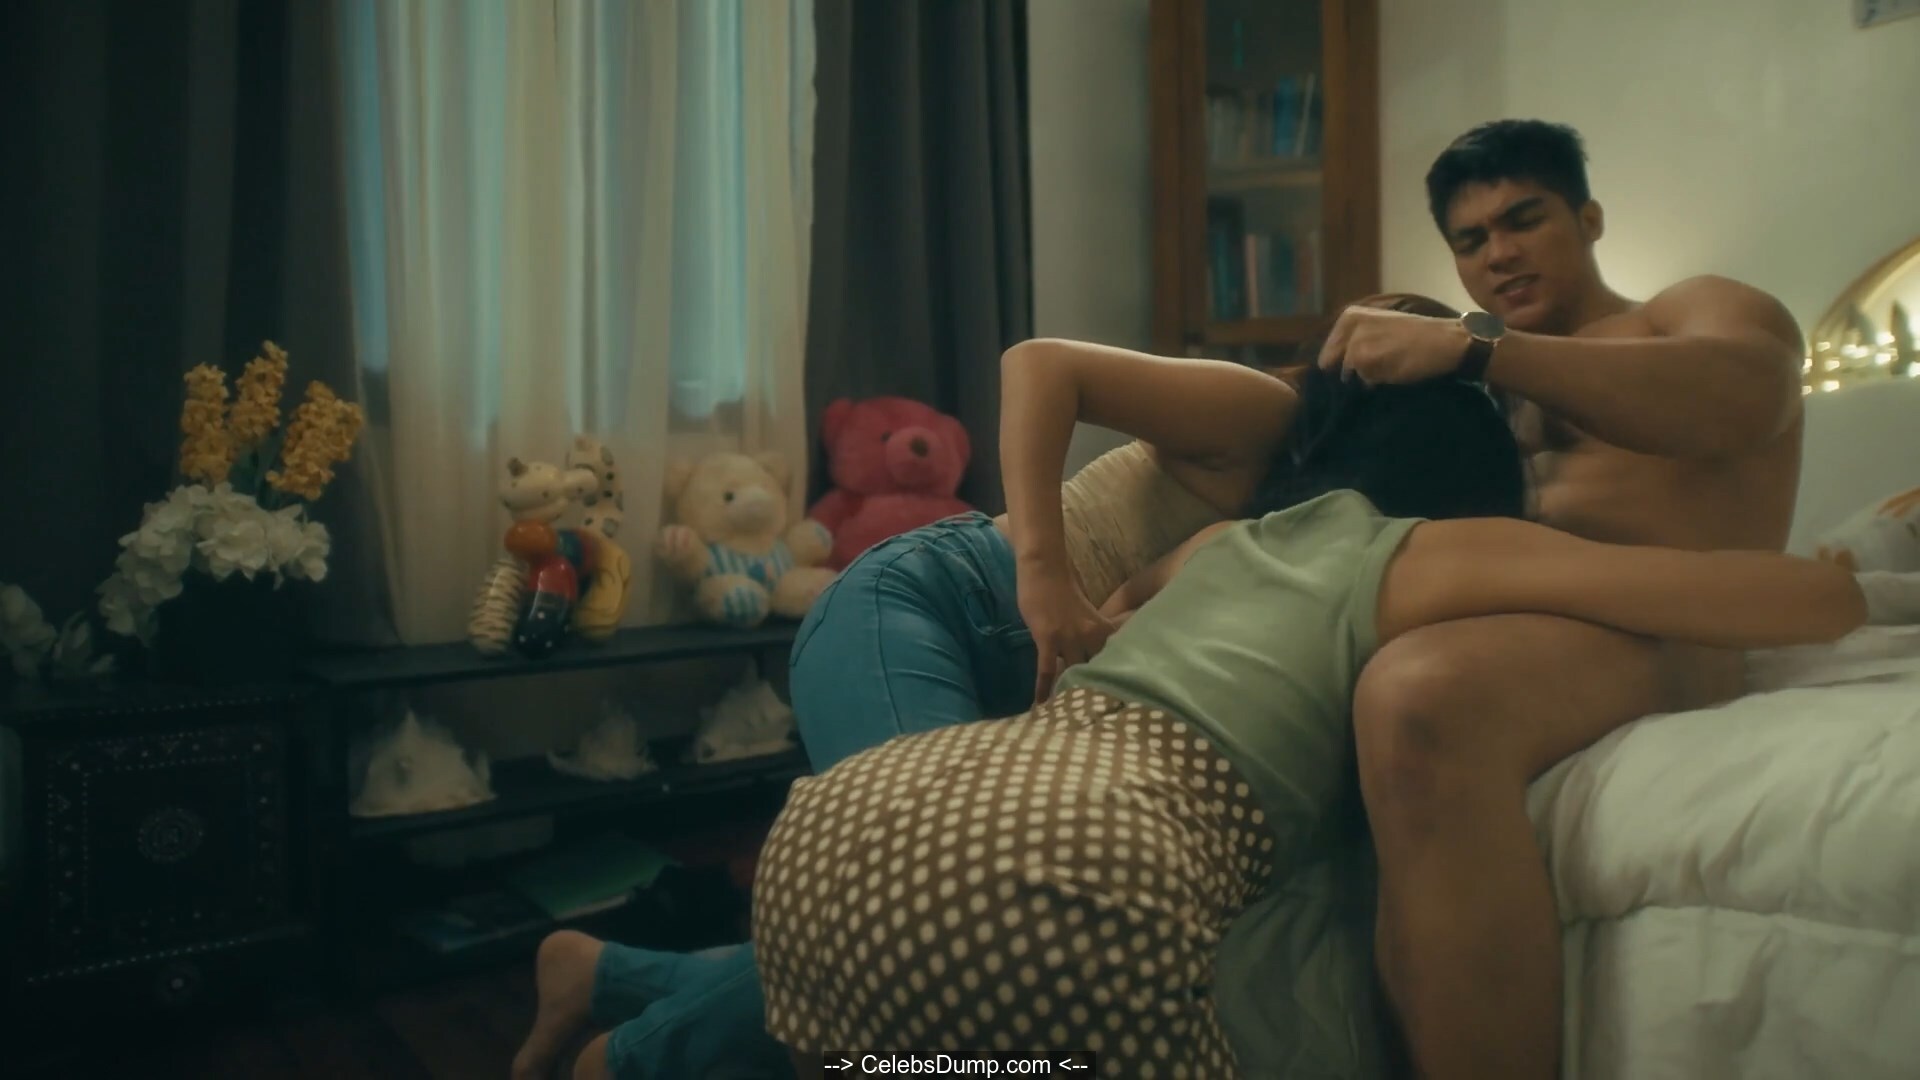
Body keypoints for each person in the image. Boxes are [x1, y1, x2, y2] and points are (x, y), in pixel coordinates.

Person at [751, 361, 1910, 1078]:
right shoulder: (1420, 552)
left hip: (840, 823)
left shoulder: (1211, 545)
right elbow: (1728, 592)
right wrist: (1855, 583)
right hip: (1084, 859)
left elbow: (1099, 642)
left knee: (904, 1053)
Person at [513, 294, 1453, 1080]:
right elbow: (1042, 364)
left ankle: (610, 977)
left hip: (1017, 673)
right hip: (927, 606)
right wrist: (1043, 571)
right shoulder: (1266, 411)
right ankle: (631, 1061)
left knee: (955, 915)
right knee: (922, 908)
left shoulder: (1346, 506)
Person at [1307, 119, 1810, 1080]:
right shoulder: (1475, 386)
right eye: (1470, 240)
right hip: (1516, 631)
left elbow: (1748, 395)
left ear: (1589, 218)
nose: (1498, 253)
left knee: (1418, 694)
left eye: (1523, 219)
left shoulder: (1681, 314)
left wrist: (1481, 351)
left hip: (1675, 630)